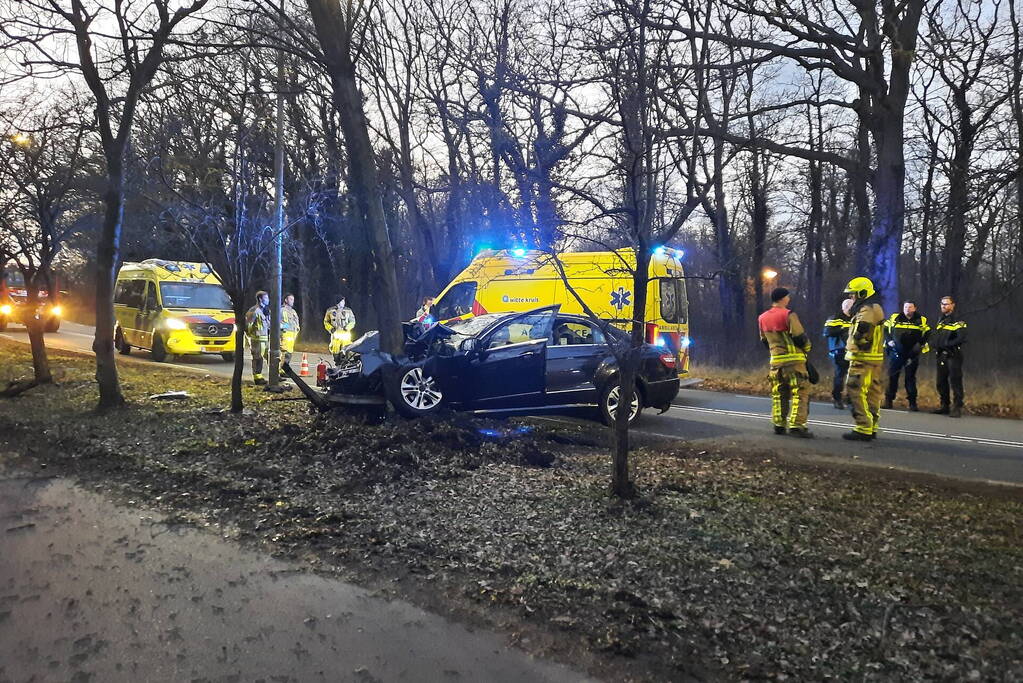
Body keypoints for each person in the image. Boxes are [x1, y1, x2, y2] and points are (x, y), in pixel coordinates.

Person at [758, 287, 813, 438]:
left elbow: (764, 340)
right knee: (799, 392)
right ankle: (796, 425)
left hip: (776, 363)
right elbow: (799, 336)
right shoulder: (788, 314)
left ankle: (778, 424)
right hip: (794, 361)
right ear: (783, 298)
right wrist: (807, 348)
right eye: (787, 297)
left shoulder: (762, 318)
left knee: (778, 393)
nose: (789, 299)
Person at [841, 277, 886, 441]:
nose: (852, 298)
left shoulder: (867, 309)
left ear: (862, 293)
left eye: (853, 295)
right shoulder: (874, 306)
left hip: (862, 358)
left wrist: (860, 342)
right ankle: (871, 426)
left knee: (855, 390)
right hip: (873, 358)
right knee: (872, 393)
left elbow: (862, 329)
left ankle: (863, 427)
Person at [883, 300, 929, 411]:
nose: (907, 309)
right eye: (905, 307)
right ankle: (888, 400)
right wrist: (889, 340)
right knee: (892, 377)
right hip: (896, 353)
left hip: (911, 354)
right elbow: (885, 329)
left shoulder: (921, 320)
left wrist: (920, 344)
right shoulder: (895, 317)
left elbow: (927, 333)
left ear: (914, 308)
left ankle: (912, 403)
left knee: (910, 378)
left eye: (909, 307)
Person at [929, 295, 968, 417]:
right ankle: (944, 405)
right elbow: (937, 336)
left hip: (953, 354)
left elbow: (961, 338)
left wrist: (946, 344)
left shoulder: (958, 320)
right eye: (942, 304)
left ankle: (957, 407)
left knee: (955, 381)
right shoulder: (940, 319)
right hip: (941, 355)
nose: (943, 306)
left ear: (952, 305)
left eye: (946, 304)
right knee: (941, 382)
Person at [823, 298, 853, 409]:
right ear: (843, 307)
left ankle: (850, 398)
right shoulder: (834, 318)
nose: (849, 308)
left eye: (851, 305)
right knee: (840, 375)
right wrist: (842, 330)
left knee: (852, 376)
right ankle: (837, 399)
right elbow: (827, 332)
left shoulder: (855, 319)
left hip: (852, 351)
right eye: (847, 306)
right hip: (838, 350)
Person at [245, 290, 270, 385]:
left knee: (270, 357)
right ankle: (258, 378)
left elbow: (268, 324)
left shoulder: (266, 310)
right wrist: (251, 337)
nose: (268, 300)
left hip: (265, 339)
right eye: (266, 298)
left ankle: (274, 375)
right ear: (260, 299)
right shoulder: (254, 311)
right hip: (257, 339)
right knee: (258, 358)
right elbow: (248, 325)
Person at [324, 296, 356, 362]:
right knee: (335, 351)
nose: (343, 303)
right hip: (336, 335)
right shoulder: (330, 311)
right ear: (338, 302)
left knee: (346, 351)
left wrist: (347, 328)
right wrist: (331, 329)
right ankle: (337, 363)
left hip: (345, 334)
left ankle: (345, 363)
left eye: (344, 301)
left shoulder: (348, 311)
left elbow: (352, 321)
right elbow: (326, 322)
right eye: (342, 301)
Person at [280, 293, 301, 377]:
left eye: (293, 299)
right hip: (285, 335)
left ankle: (284, 369)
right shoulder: (281, 310)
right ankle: (281, 370)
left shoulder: (293, 311)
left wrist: (297, 328)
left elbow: (296, 322)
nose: (293, 301)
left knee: (289, 353)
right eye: (291, 299)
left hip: (292, 336)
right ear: (286, 300)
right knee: (285, 353)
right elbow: (277, 322)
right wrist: (286, 326)